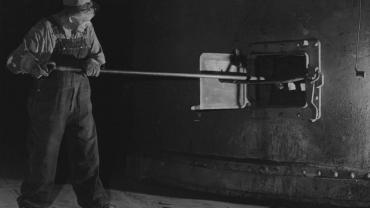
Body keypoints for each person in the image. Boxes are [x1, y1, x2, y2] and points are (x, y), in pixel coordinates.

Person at [6, 0, 115, 207]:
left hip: (81, 96)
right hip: (50, 98)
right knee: (44, 153)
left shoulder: (87, 27)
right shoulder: (45, 28)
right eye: (84, 22)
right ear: (72, 16)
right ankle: (33, 203)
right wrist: (31, 64)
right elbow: (13, 60)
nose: (87, 26)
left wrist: (93, 62)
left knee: (87, 151)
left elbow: (97, 55)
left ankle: (95, 202)